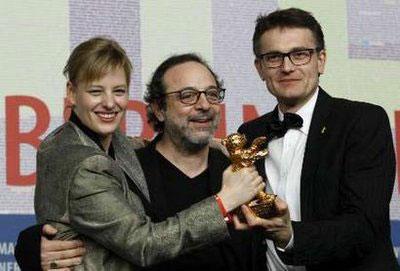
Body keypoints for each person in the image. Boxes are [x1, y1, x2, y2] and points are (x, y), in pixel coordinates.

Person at [15, 37, 264, 270]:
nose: (110, 103)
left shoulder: (106, 144)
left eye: (119, 91)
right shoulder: (86, 163)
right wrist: (224, 201)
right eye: (95, 91)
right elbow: (144, 244)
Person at [236, 7, 399, 271]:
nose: (287, 67)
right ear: (260, 68)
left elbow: (364, 225)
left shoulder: (362, 121)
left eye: (300, 54)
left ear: (320, 60)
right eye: (274, 57)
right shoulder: (249, 133)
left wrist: (290, 236)